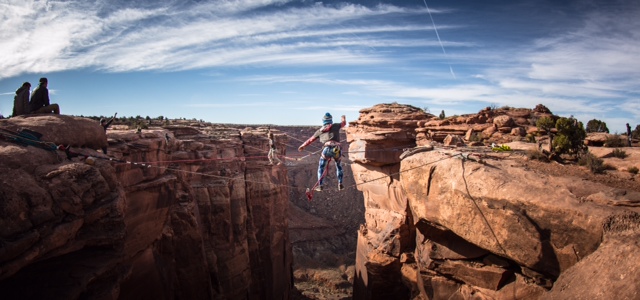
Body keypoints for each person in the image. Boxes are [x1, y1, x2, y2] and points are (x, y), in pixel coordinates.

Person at [298, 112, 346, 191]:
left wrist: (303, 146)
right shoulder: (336, 126)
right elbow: (343, 123)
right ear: (331, 120)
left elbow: (310, 140)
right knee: (339, 166)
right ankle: (340, 183)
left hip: (326, 149)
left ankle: (320, 186)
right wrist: (343, 117)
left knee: (321, 167)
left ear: (323, 121)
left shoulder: (319, 131)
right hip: (336, 149)